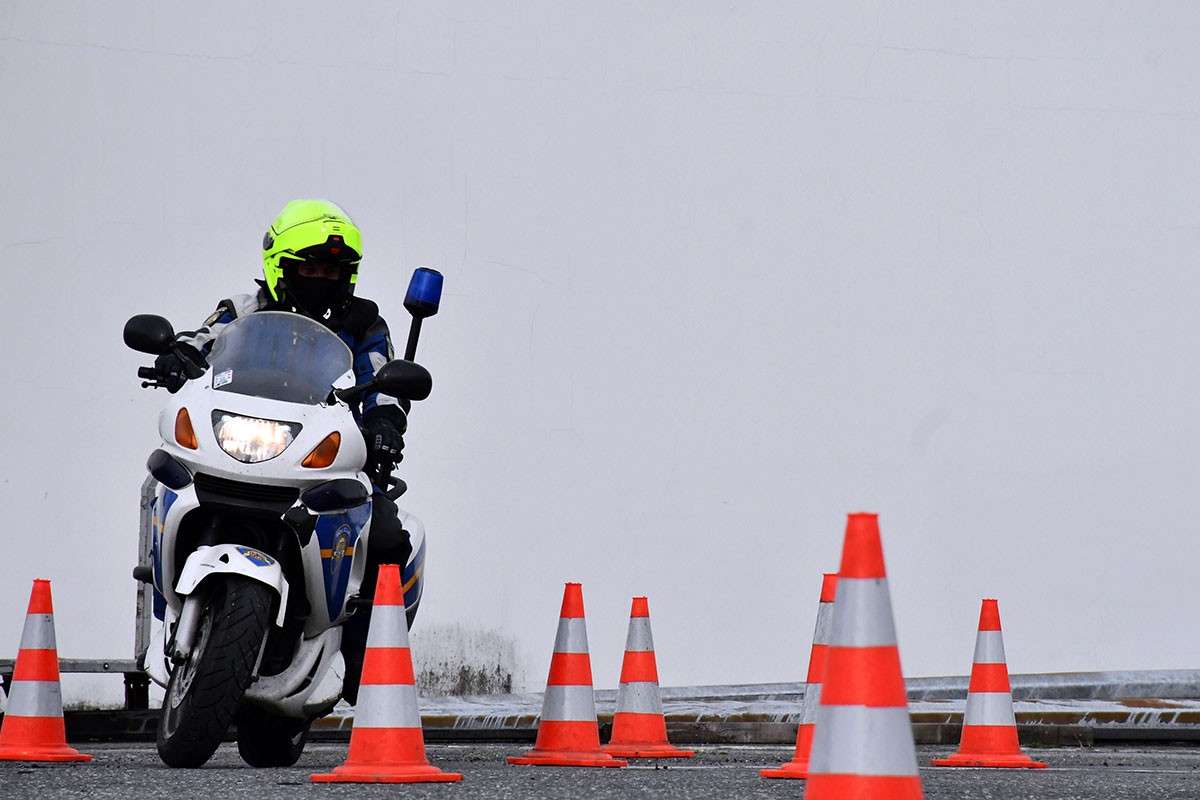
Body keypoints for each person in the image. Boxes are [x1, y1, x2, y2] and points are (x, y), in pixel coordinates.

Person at [153, 198, 411, 704]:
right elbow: (206, 339)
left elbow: (382, 378)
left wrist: (385, 422)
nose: (322, 278)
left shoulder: (364, 324)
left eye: (332, 270)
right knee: (164, 479)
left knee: (385, 538)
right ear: (280, 266)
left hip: (322, 458)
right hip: (236, 445)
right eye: (310, 267)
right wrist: (178, 353)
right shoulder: (244, 309)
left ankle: (368, 667)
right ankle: (169, 608)